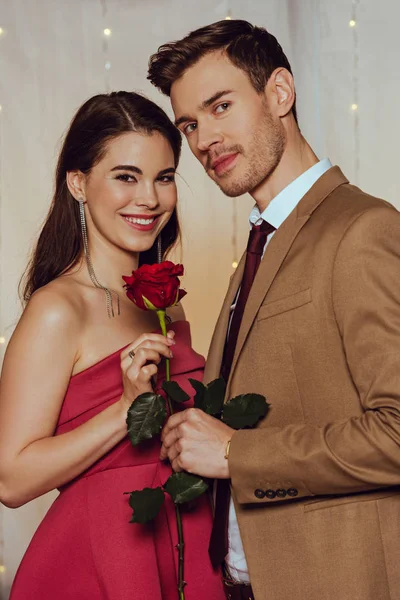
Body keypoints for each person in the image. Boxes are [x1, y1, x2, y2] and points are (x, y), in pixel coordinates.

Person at [148, 19, 400, 600]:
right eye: (189, 123)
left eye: (220, 107)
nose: (203, 139)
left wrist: (237, 453)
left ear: (279, 93)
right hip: (246, 579)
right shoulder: (264, 244)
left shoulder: (361, 229)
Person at [0, 91, 225, 600]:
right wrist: (126, 409)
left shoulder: (168, 303)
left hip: (185, 543)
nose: (149, 198)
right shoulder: (59, 309)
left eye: (164, 177)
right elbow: (10, 480)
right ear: (78, 184)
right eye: (126, 177)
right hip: (102, 562)